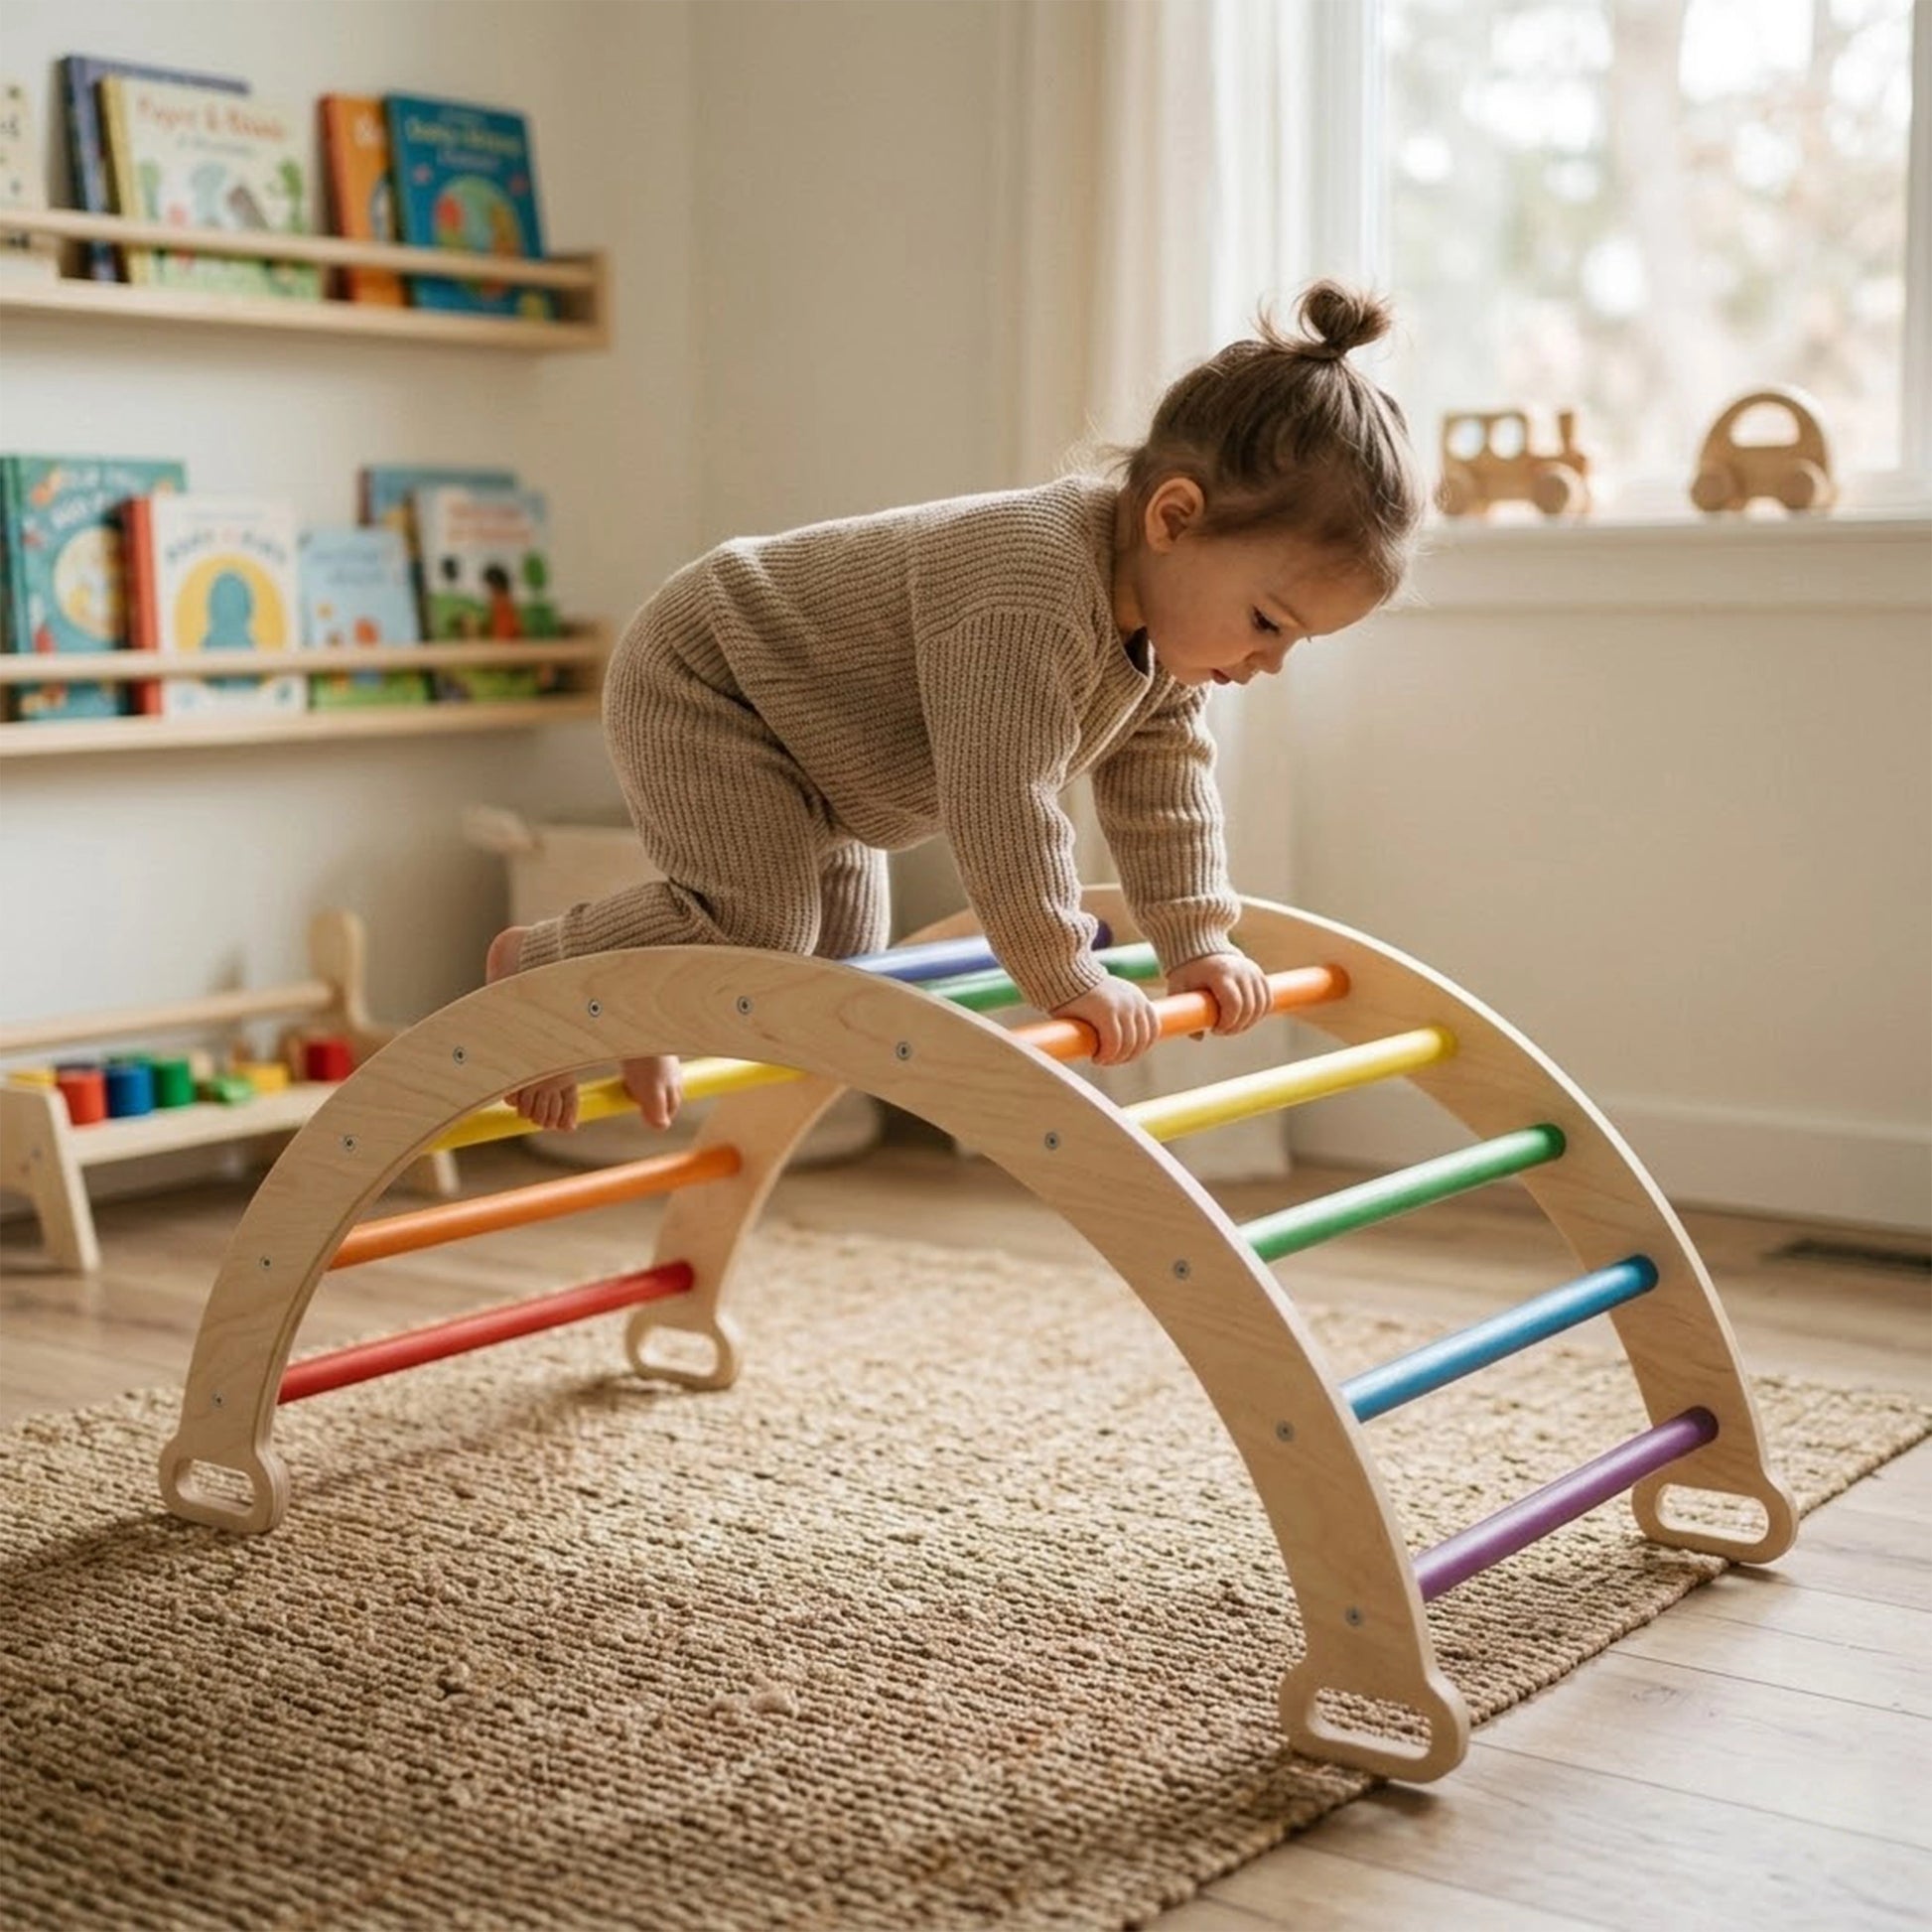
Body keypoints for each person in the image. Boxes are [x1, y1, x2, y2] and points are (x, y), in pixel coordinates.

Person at [486, 280, 1427, 1132]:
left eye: (1294, 643)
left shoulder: (1167, 648)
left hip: (821, 745)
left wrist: (1196, 942)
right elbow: (1001, 801)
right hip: (714, 678)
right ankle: (541, 964)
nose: (1266, 663)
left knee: (837, 964)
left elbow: (1165, 793)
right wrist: (1066, 975)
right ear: (1173, 519)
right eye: (1268, 621)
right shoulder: (1027, 589)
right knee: (760, 923)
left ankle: (629, 995)